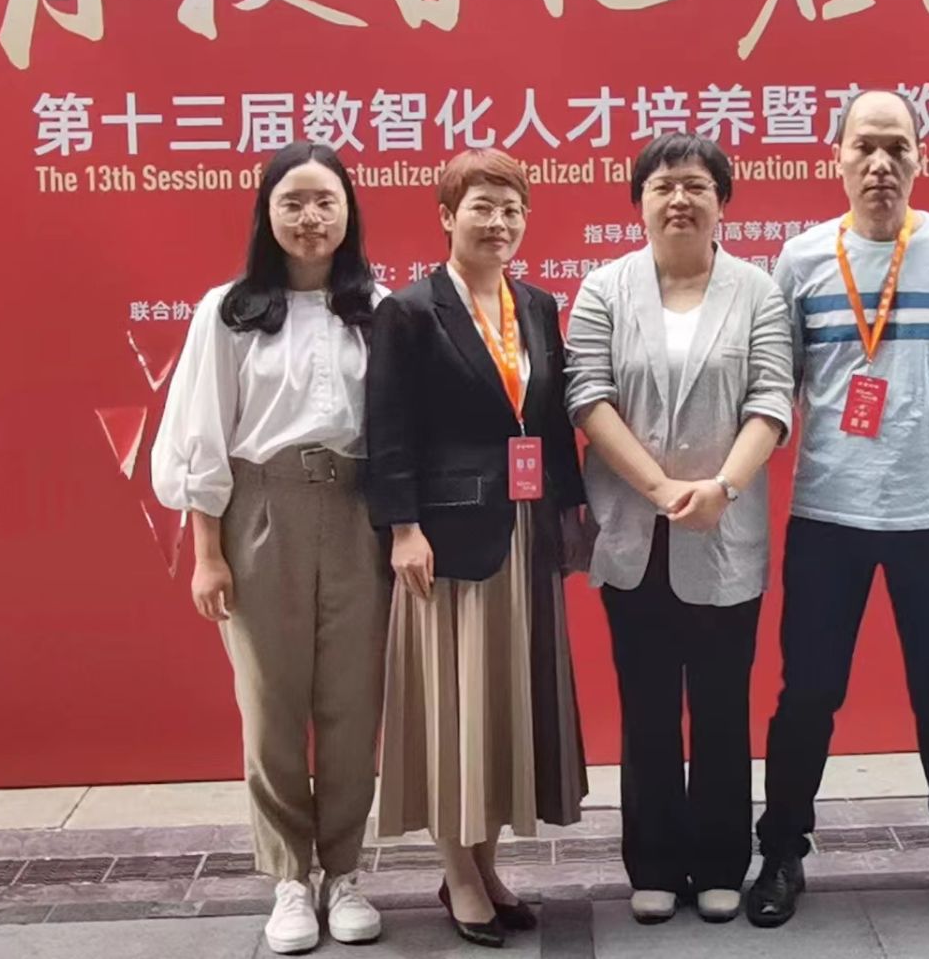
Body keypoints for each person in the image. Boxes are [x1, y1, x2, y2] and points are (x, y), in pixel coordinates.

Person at [748, 89, 929, 927]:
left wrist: (924, 437)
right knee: (808, 693)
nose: (880, 164)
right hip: (827, 512)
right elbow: (785, 379)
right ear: (835, 157)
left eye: (896, 147)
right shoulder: (800, 260)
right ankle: (782, 853)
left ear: (920, 158)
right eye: (863, 146)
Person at [150, 142, 390, 953]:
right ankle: (290, 878)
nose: (310, 217)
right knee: (270, 707)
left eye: (325, 201)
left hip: (358, 515)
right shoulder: (228, 311)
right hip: (260, 513)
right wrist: (207, 552)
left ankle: (345, 872)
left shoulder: (380, 310)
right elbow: (201, 434)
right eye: (292, 202)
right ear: (267, 213)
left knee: (353, 708)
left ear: (349, 213)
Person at [565, 133, 795, 926]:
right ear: (639, 201)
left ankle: (724, 861)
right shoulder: (604, 289)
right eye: (663, 186)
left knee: (724, 705)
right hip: (635, 533)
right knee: (649, 706)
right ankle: (655, 862)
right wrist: (662, 489)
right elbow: (588, 397)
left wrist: (723, 487)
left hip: (725, 528)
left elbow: (772, 400)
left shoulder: (757, 291)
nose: (680, 200)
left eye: (697, 185)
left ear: (722, 201)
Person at [366, 147, 591, 949]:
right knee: (456, 710)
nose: (498, 223)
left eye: (511, 209)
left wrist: (573, 509)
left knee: (503, 708)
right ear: (446, 216)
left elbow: (551, 422)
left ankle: (487, 868)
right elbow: (387, 430)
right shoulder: (409, 311)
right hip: (447, 541)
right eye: (481, 207)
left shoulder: (536, 305)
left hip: (526, 533)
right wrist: (402, 529)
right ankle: (458, 873)